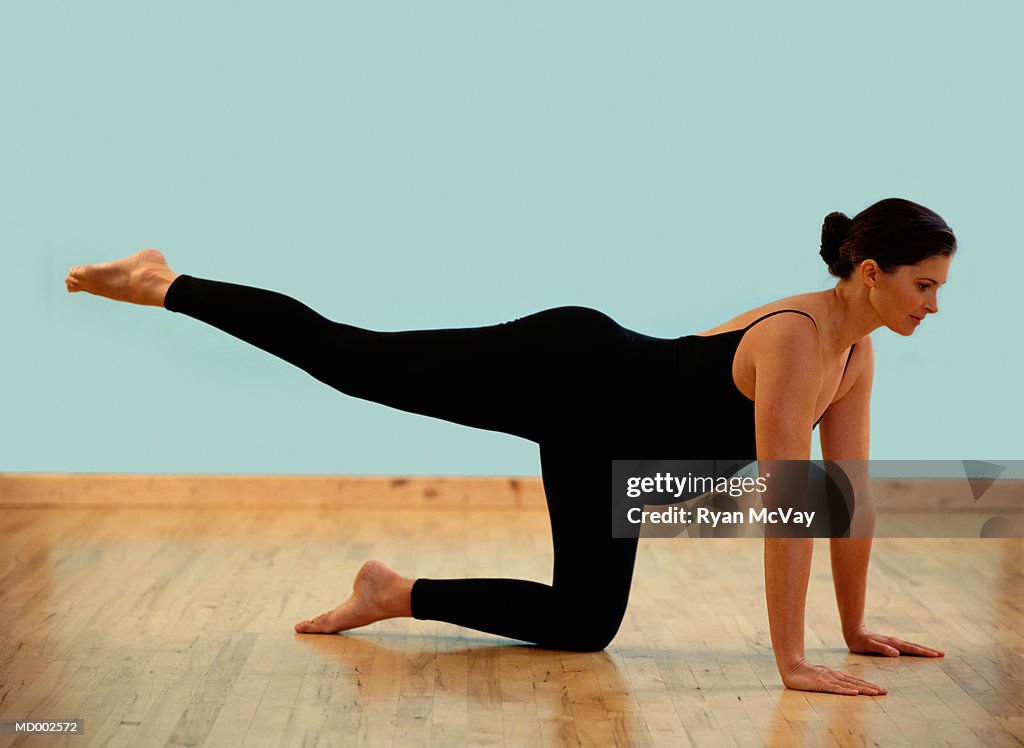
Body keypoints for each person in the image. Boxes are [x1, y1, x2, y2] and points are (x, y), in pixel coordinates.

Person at [65, 196, 954, 696]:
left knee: (583, 627)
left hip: (609, 455)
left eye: (941, 288)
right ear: (868, 273)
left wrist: (852, 630)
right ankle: (162, 280)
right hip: (566, 369)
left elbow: (849, 498)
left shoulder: (857, 354)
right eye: (923, 285)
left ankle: (393, 592)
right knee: (350, 359)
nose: (933, 305)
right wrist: (793, 664)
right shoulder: (801, 339)